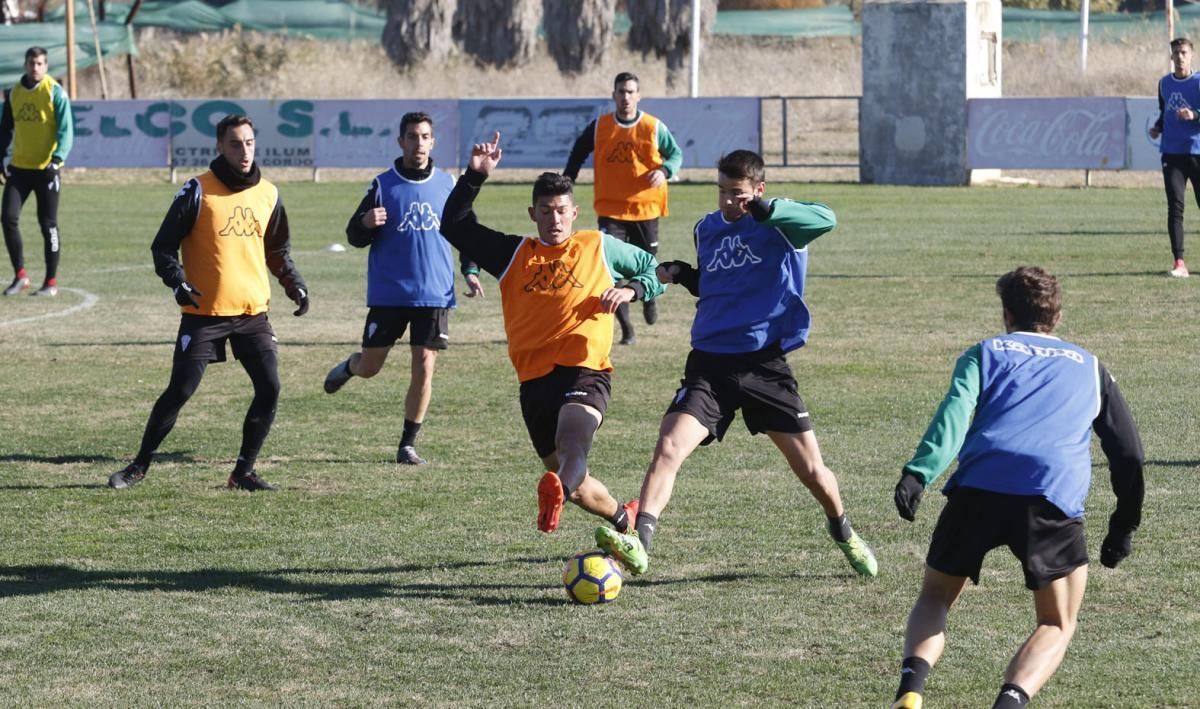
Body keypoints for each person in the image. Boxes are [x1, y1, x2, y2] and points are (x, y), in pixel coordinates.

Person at [594, 149, 878, 580]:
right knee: (668, 447)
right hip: (709, 364)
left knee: (814, 473)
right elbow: (714, 282)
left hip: (765, 365)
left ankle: (843, 530)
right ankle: (640, 542)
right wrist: (681, 274)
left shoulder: (782, 226)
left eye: (739, 194)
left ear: (758, 190)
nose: (729, 202)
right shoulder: (706, 228)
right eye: (723, 192)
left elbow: (826, 219)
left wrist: (764, 210)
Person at [888, 266, 1144, 709]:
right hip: (1051, 497)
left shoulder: (984, 353)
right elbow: (1129, 453)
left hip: (978, 487)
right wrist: (1123, 525)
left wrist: (919, 473)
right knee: (1057, 622)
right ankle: (1009, 704)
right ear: (1058, 316)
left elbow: (954, 415)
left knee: (935, 595)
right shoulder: (1091, 366)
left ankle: (911, 692)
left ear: (1007, 314)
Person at [440, 131, 664, 534]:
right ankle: (621, 517)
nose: (554, 219)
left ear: (574, 213)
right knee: (575, 485)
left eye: (562, 210)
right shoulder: (512, 254)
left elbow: (656, 270)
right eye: (546, 211)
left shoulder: (599, 246)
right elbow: (454, 225)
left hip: (586, 370)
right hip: (533, 383)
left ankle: (557, 487)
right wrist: (474, 176)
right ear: (533, 214)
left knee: (572, 447)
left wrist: (632, 289)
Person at [108, 114, 309, 491]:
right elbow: (163, 247)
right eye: (235, 144)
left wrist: (293, 283)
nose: (244, 151)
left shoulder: (268, 193)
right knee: (180, 391)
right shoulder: (197, 190)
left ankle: (242, 472)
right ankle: (138, 466)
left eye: (249, 142)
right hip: (204, 314)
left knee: (270, 388)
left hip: (253, 313)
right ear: (219, 147)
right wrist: (178, 281)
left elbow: (277, 249)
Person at [322, 111, 480, 465]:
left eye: (425, 136)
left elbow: (467, 230)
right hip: (390, 293)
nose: (419, 143)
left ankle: (407, 444)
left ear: (433, 142)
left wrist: (469, 269)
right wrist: (364, 222)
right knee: (371, 366)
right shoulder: (382, 185)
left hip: (435, 293)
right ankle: (351, 367)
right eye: (412, 136)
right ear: (401, 141)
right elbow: (354, 235)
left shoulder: (448, 185)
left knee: (424, 365)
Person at [563, 71, 682, 345]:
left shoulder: (653, 127)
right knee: (610, 271)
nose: (626, 96)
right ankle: (627, 328)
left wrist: (665, 170)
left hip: (646, 209)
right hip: (611, 210)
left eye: (630, 91)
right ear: (613, 95)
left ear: (638, 96)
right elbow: (578, 152)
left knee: (649, 266)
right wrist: (566, 182)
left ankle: (648, 298)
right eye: (621, 91)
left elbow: (675, 154)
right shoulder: (600, 126)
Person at [0, 46, 73, 297]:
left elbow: (66, 130)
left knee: (48, 224)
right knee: (8, 219)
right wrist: (1, 159)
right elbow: (5, 130)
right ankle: (20, 276)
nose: (35, 68)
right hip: (19, 168)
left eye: (40, 64)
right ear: (25, 65)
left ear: (46, 66)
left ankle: (50, 282)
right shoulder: (13, 94)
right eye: (32, 63)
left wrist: (57, 158)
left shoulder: (55, 92)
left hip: (46, 170)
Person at [1149, 37, 1200, 278]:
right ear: (1171, 57)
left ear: (1191, 55)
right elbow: (1164, 111)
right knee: (1175, 207)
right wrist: (1158, 127)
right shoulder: (1164, 84)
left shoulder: (1199, 82)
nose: (1179, 57)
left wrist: (1195, 114)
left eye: (1184, 52)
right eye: (1176, 53)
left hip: (1197, 153)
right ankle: (1179, 262)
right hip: (1171, 153)